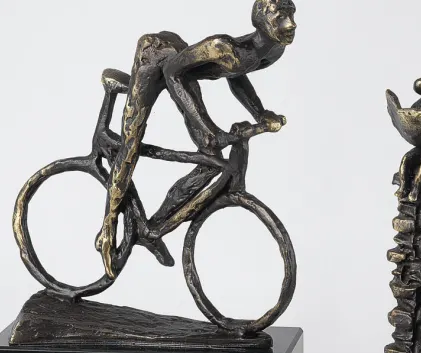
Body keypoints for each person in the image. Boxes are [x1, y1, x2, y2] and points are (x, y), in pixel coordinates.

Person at [96, 0, 297, 279]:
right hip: (156, 57)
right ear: (261, 20)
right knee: (130, 147)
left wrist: (260, 113)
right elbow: (171, 72)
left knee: (210, 160)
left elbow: (236, 73)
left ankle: (150, 230)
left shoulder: (273, 51)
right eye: (280, 17)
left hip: (181, 69)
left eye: (291, 15)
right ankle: (107, 230)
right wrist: (207, 126)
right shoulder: (222, 47)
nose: (290, 24)